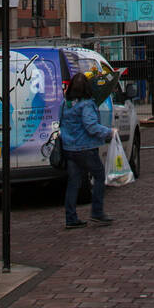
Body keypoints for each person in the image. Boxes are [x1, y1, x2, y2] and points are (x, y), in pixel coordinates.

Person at [59, 72, 118, 229]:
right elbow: (91, 126)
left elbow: (61, 124)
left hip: (69, 148)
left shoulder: (66, 103)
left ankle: (71, 218)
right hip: (85, 148)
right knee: (99, 176)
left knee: (73, 183)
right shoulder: (86, 104)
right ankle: (97, 213)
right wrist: (109, 132)